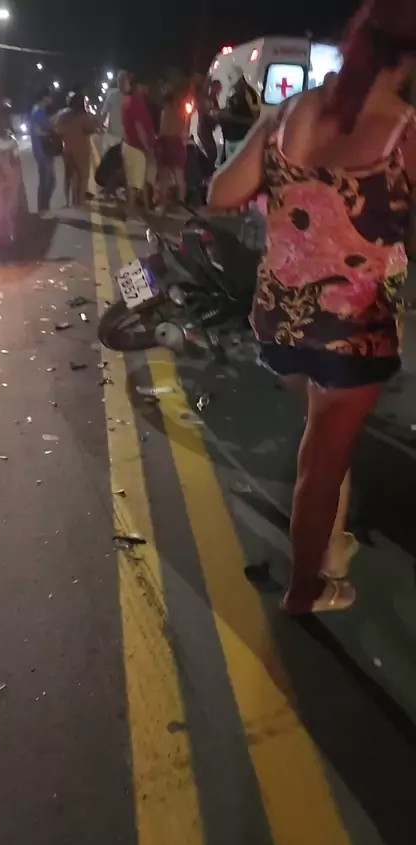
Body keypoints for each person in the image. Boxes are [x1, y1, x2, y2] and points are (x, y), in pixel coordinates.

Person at [209, 0, 416, 615]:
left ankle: (334, 539)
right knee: (321, 464)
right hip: (353, 333)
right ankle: (306, 589)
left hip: (279, 321)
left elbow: (221, 191)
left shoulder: (288, 112)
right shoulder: (405, 132)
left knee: (324, 438)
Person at [53, 93, 97, 207]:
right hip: (81, 149)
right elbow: (91, 129)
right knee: (83, 176)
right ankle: (79, 202)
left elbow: (57, 130)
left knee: (69, 176)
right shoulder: (83, 116)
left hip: (67, 149)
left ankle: (68, 201)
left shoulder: (63, 116)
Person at [121, 76, 156, 218]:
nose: (146, 89)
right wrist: (147, 148)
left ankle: (144, 209)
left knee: (138, 181)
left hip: (131, 146)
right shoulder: (135, 106)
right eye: (143, 87)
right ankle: (131, 212)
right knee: (134, 184)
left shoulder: (129, 103)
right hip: (136, 148)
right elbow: (139, 128)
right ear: (137, 88)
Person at [219, 71, 260, 162]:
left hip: (242, 140)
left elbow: (255, 119)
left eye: (236, 85)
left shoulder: (251, 95)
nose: (235, 88)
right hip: (231, 140)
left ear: (242, 82)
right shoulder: (233, 97)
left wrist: (234, 118)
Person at [157, 91, 187, 212]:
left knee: (164, 178)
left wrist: (158, 141)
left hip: (168, 144)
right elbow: (184, 132)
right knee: (180, 178)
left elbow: (164, 130)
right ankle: (181, 204)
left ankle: (163, 205)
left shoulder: (166, 113)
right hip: (178, 144)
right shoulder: (181, 114)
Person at [30, 87, 56, 214]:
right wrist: (52, 133)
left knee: (48, 180)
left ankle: (44, 207)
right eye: (49, 96)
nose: (51, 99)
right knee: (48, 181)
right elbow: (39, 131)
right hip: (43, 151)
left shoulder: (37, 110)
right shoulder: (39, 111)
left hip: (42, 150)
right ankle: (43, 208)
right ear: (44, 98)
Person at [101, 71, 130, 153]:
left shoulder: (131, 98)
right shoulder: (112, 95)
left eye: (123, 81)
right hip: (111, 136)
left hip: (125, 139)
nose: (120, 83)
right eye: (119, 81)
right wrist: (100, 125)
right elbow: (104, 113)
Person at [197, 78, 222, 172]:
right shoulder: (208, 99)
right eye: (218, 88)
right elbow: (208, 113)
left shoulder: (213, 99)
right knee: (212, 152)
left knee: (212, 152)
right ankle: (207, 171)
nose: (219, 90)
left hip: (206, 129)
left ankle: (208, 170)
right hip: (204, 129)